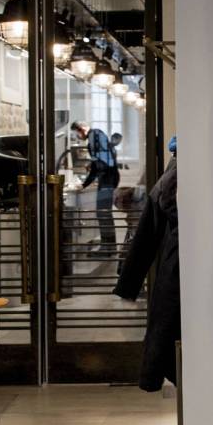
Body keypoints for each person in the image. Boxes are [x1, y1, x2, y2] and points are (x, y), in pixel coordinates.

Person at [114, 149, 178, 391]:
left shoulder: (176, 170)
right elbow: (149, 227)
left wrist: (128, 284)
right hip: (179, 271)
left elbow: (148, 227)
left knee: (167, 336)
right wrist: (128, 284)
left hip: (177, 271)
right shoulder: (178, 171)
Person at [72, 121, 120, 250]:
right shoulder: (98, 135)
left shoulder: (94, 137)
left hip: (107, 179)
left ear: (81, 129)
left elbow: (97, 167)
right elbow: (99, 162)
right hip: (110, 177)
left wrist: (84, 184)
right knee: (105, 213)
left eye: (77, 133)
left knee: (103, 213)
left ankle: (107, 247)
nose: (78, 137)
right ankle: (110, 246)